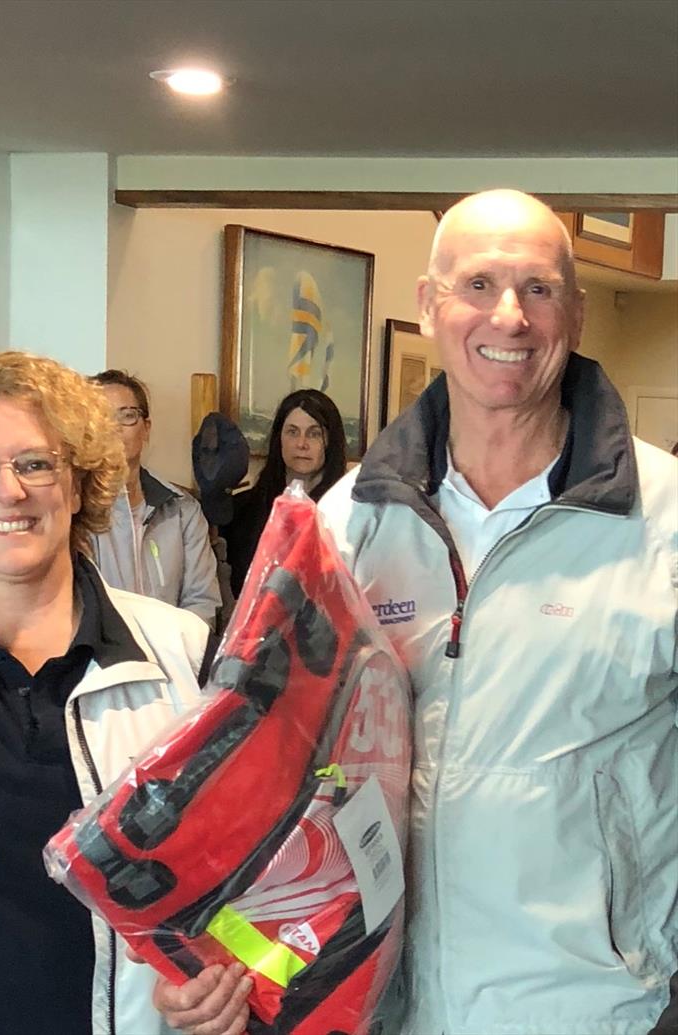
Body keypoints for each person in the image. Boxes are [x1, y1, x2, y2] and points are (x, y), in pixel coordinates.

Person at [152, 190, 677, 1034]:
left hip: (598, 1007)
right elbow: (270, 762)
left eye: (538, 288)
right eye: (478, 284)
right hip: (374, 1005)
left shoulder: (666, 518)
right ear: (430, 306)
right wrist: (231, 960)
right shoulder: (346, 522)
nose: (508, 315)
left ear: (576, 313)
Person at [0, 351, 216, 1035]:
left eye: (35, 463)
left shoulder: (185, 656)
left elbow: (251, 880)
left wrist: (221, 977)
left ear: (81, 480)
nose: (8, 490)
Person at [89, 368, 221, 627]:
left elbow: (202, 603)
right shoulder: (75, 509)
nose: (114, 429)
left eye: (127, 416)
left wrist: (168, 656)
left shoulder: (183, 510)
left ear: (146, 428)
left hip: (175, 660)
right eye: (100, 418)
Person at [220, 388, 347, 596]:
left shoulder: (346, 514)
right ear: (279, 438)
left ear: (331, 441)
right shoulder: (242, 510)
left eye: (314, 434)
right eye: (292, 432)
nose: (301, 444)